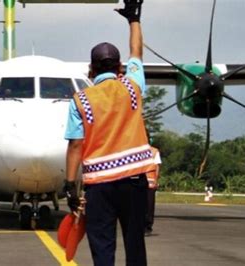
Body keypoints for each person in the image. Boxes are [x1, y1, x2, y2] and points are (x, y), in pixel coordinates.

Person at [64, 1, 158, 265]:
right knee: (135, 243)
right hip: (134, 183)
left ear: (91, 70)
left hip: (99, 188)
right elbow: (137, 52)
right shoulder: (133, 86)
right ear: (119, 68)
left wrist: (71, 187)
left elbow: (75, 145)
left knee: (102, 248)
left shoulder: (80, 100)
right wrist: (134, 20)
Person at [145, 146, 161, 236]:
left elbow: (157, 166)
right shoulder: (136, 149)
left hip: (150, 182)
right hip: (137, 182)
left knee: (149, 205)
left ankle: (147, 227)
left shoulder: (154, 151)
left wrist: (156, 179)